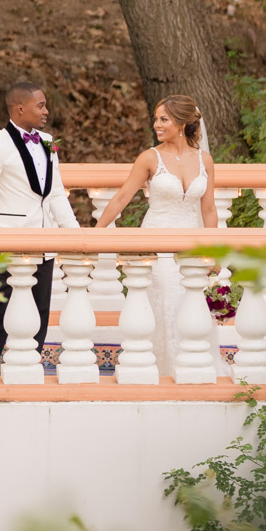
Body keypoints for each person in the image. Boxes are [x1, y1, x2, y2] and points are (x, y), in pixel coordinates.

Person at [94, 94, 221, 376]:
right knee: (166, 301)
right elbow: (121, 198)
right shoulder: (149, 158)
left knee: (192, 301)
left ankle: (194, 367)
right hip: (157, 242)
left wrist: (213, 250)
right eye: (156, 119)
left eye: (163, 119)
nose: (156, 125)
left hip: (193, 242)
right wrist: (95, 234)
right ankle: (161, 369)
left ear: (182, 122)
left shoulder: (205, 160)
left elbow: (209, 208)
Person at [0, 81, 79, 376]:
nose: (46, 111)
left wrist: (74, 233)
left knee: (40, 311)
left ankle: (27, 368)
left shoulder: (48, 141)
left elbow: (55, 192)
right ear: (20, 108)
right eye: (40, 105)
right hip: (9, 243)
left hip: (45, 241)